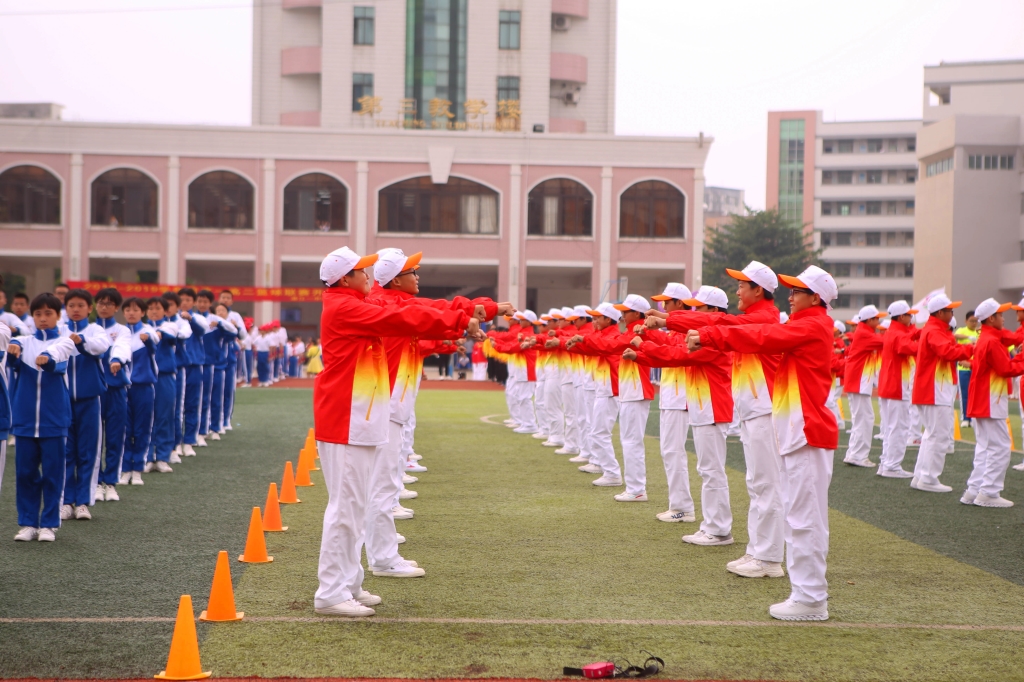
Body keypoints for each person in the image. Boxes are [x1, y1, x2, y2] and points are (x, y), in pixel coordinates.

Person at [312, 246, 478, 617]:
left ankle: (349, 584)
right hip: (346, 417)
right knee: (346, 507)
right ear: (344, 278)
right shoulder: (344, 305)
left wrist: (458, 315)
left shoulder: (352, 303)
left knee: (354, 506)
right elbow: (401, 315)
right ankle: (331, 592)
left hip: (359, 415)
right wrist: (457, 317)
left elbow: (402, 311)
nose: (367, 276)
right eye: (361, 271)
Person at [688, 265, 839, 622]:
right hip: (799, 429)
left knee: (805, 518)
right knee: (801, 514)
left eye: (797, 291)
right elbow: (757, 333)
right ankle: (806, 594)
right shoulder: (807, 323)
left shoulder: (813, 324)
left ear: (815, 298)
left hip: (807, 429)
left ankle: (811, 598)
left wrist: (709, 336)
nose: (790, 296)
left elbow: (761, 338)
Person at [653, 263, 786, 577]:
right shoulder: (753, 318)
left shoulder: (762, 318)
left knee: (765, 484)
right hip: (752, 409)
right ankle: (758, 551)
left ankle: (767, 558)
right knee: (757, 483)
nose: (737, 290)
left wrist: (672, 319)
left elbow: (719, 322)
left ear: (759, 290)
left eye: (742, 285)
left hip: (762, 409)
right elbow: (719, 323)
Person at [636, 286, 734, 546]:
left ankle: (718, 528)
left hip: (711, 406)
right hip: (704, 405)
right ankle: (711, 525)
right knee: (706, 468)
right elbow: (673, 347)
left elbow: (678, 354)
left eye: (699, 308)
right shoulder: (702, 335)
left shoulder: (712, 340)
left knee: (711, 470)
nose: (694, 313)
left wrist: (644, 345)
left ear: (714, 312)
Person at [9, 293, 77, 542]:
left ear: (59, 316)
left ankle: (49, 524)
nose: (43, 318)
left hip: (54, 420)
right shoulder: (23, 341)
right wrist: (13, 351)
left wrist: (46, 359)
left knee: (52, 472)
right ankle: (28, 523)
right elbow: (13, 356)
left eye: (49, 313)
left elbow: (57, 359)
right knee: (25, 473)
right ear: (32, 316)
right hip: (25, 420)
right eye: (38, 314)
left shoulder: (66, 342)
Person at [638, 283, 695, 523]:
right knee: (669, 451)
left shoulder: (686, 331)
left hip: (681, 397)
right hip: (672, 395)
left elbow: (673, 353)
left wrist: (645, 341)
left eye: (666, 303)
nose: (662, 307)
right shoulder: (676, 331)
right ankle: (678, 506)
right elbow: (666, 348)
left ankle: (683, 508)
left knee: (674, 452)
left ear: (679, 304)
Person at [961, 298, 1024, 507]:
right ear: (991, 318)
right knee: (1000, 447)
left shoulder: (987, 337)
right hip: (990, 400)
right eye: (1000, 315)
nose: (1004, 318)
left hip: (983, 400)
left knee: (986, 447)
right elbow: (1006, 369)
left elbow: (1008, 344)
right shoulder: (990, 341)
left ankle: (974, 490)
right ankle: (988, 492)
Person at [911, 294, 972, 493]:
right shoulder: (934, 331)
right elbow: (948, 351)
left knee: (932, 434)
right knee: (939, 435)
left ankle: (921, 476)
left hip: (933, 390)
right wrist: (972, 348)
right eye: (949, 310)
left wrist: (966, 348)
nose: (952, 313)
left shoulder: (934, 330)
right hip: (934, 391)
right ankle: (928, 478)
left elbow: (950, 349)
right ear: (940, 312)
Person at [61, 288, 113, 519]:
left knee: (88, 451)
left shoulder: (96, 330)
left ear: (89, 309)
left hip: (90, 400)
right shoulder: (59, 330)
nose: (75, 310)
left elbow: (99, 348)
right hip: (61, 401)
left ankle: (83, 502)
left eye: (80, 305)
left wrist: (81, 341)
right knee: (65, 452)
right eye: (71, 305)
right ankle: (65, 501)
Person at [565, 303, 625, 488]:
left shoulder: (613, 335)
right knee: (596, 430)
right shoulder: (600, 334)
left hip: (609, 389)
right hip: (602, 388)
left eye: (598, 317)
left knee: (599, 431)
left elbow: (604, 347)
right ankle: (604, 467)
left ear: (609, 319)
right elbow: (591, 346)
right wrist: (572, 345)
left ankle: (612, 472)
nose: (595, 321)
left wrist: (580, 341)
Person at [94, 287, 132, 501]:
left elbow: (122, 348)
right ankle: (97, 482)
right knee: (95, 438)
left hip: (116, 389)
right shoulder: (90, 330)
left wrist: (116, 359)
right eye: (100, 303)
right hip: (94, 391)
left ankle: (111, 483)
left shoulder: (122, 330)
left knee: (116, 436)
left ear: (116, 307)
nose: (104, 307)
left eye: (109, 303)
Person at [877, 301, 920, 478]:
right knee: (899, 427)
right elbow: (912, 347)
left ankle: (886, 463)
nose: (911, 318)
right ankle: (892, 466)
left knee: (890, 427)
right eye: (909, 315)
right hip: (897, 387)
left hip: (889, 386)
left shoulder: (892, 331)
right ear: (902, 317)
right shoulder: (898, 335)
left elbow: (910, 334)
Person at [119, 297, 159, 485]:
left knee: (142, 429)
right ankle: (125, 468)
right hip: (123, 388)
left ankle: (138, 469)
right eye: (128, 310)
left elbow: (154, 345)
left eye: (135, 310)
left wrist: (149, 340)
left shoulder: (148, 331)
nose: (131, 313)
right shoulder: (120, 333)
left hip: (144, 387)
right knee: (124, 429)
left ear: (142, 312)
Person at [842, 305, 885, 467]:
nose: (879, 321)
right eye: (876, 318)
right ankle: (858, 456)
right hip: (858, 380)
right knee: (865, 419)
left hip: (858, 380)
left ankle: (854, 453)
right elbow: (884, 341)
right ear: (869, 320)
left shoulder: (863, 332)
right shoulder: (864, 333)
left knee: (861, 418)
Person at [146, 296, 183, 473]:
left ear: (165, 311)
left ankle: (162, 456)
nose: (154, 311)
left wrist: (154, 335)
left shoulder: (170, 325)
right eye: (151, 308)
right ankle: (146, 457)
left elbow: (168, 334)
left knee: (165, 416)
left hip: (165, 376)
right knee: (146, 418)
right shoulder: (142, 328)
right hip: (145, 378)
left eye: (158, 308)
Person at [177, 288, 210, 456]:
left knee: (192, 403)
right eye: (181, 299)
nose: (184, 302)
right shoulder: (172, 319)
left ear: (193, 302)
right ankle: (175, 443)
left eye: (188, 300)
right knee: (175, 407)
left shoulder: (198, 318)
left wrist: (190, 319)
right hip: (176, 367)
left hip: (194, 365)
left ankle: (189, 440)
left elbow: (201, 330)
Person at [954, 310, 980, 428]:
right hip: (963, 367)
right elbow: (956, 336)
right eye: (971, 321)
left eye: (975, 321)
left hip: (976, 367)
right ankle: (965, 418)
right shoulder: (962, 330)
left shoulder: (979, 332)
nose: (974, 323)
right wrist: (970, 338)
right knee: (964, 394)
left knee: (976, 393)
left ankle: (974, 417)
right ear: (966, 321)